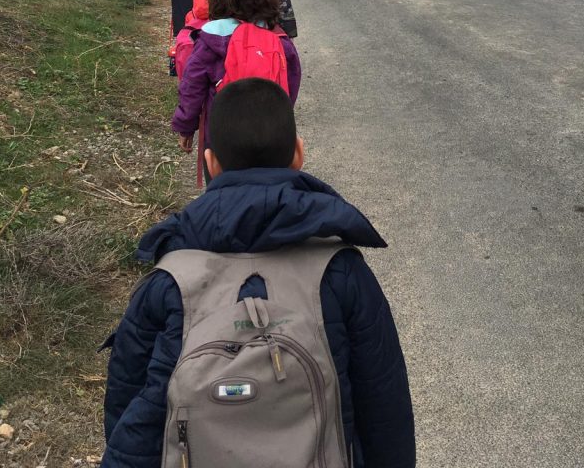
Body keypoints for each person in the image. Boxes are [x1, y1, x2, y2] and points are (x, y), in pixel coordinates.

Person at [101, 79, 415, 468]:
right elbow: (384, 406)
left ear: (211, 164)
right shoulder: (340, 270)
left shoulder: (169, 277)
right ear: (298, 154)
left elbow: (127, 402)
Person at [170, 0, 301, 169]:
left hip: (223, 137)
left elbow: (191, 87)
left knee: (223, 184)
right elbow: (290, 86)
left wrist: (186, 127)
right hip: (271, 134)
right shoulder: (279, 40)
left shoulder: (210, 40)